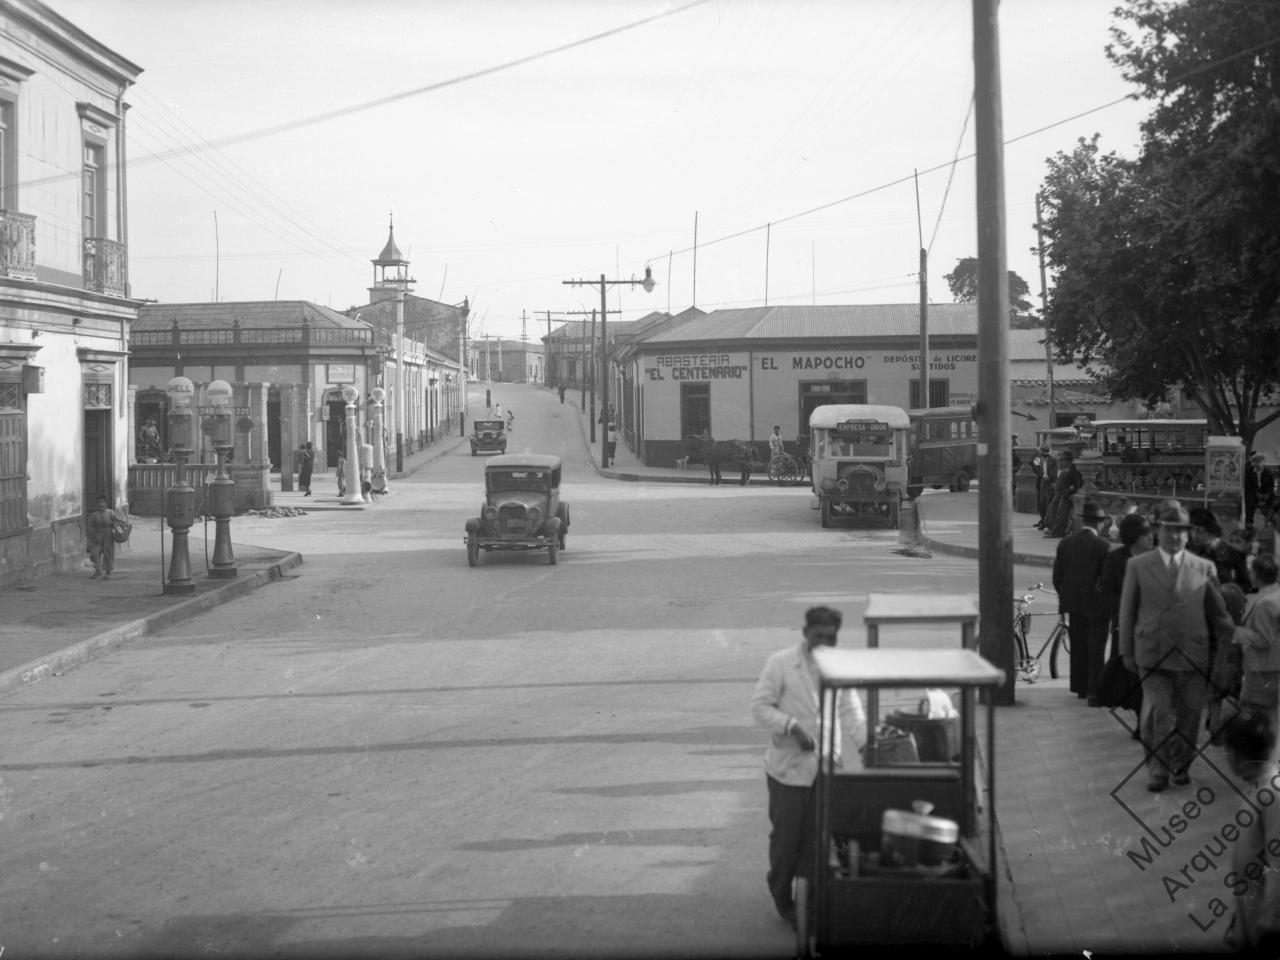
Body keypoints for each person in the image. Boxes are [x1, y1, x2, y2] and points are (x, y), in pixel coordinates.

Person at [751, 606, 866, 928]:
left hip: (825, 767)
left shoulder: (838, 666)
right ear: (805, 633)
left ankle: (809, 901)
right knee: (787, 841)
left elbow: (852, 712)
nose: (824, 643)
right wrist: (790, 726)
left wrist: (868, 744)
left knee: (817, 839)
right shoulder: (781, 664)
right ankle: (782, 896)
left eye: (830, 638)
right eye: (818, 636)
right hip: (787, 770)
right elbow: (760, 707)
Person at [1119, 504, 1237, 792]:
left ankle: (1180, 765)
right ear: (1158, 531)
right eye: (1169, 530)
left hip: (1191, 657)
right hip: (1152, 654)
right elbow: (1127, 611)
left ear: (1189, 535)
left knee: (1189, 717)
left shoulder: (1203, 568)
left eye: (1181, 532)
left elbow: (1219, 616)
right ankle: (1157, 771)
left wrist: (1228, 649)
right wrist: (1127, 651)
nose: (1174, 537)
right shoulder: (1138, 566)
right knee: (1157, 713)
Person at [1222, 710, 1280, 952]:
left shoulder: (1272, 795)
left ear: (1237, 755)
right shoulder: (1256, 787)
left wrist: (1270, 922)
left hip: (1267, 920)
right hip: (1251, 903)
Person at [1053, 500, 1114, 704]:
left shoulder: (1066, 543)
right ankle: (1094, 689)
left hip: (1074, 604)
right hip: (1097, 606)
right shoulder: (1104, 546)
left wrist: (1065, 599)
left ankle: (1079, 686)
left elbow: (1058, 577)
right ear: (1100, 523)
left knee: (1078, 645)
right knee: (1096, 647)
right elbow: (1106, 580)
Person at [1235, 554, 1280, 716]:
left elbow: (1263, 640)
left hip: (1263, 670)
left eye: (1251, 572)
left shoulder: (1265, 603)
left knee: (1252, 714)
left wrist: (1238, 632)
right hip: (1273, 669)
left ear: (1257, 574)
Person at [1044, 450, 1083, 538]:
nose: (1061, 462)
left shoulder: (1073, 470)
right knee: (1052, 509)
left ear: (1068, 461)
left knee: (1061, 513)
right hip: (1060, 493)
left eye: (1063, 460)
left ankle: (1057, 532)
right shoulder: (1064, 469)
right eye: (1060, 460)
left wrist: (1072, 493)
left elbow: (1077, 484)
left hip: (1066, 495)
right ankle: (1052, 529)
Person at [86, 494, 122, 580]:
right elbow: (90, 526)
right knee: (94, 554)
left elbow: (118, 523)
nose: (101, 504)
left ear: (106, 503)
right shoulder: (95, 515)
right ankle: (98, 570)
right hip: (98, 536)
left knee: (108, 554)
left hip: (108, 535)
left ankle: (108, 572)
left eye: (102, 502)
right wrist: (93, 535)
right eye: (99, 502)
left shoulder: (111, 513)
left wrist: (112, 524)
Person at [1246, 453, 1276, 533]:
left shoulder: (1268, 471)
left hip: (1265, 492)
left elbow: (1271, 484)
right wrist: (1256, 493)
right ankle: (1249, 522)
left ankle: (1269, 521)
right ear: (1254, 462)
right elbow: (1248, 485)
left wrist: (1268, 493)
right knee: (1249, 500)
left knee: (1274, 501)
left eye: (1261, 461)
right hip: (1253, 492)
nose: (1259, 463)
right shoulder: (1248, 471)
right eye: (1257, 461)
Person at [1034, 446, 1057, 529]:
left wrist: (1049, 478)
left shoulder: (1053, 460)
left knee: (1048, 503)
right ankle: (1043, 520)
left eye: (1040, 452)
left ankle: (1046, 522)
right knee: (1041, 503)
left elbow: (1054, 472)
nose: (1039, 453)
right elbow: (1037, 470)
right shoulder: (1039, 460)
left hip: (1050, 483)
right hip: (1042, 483)